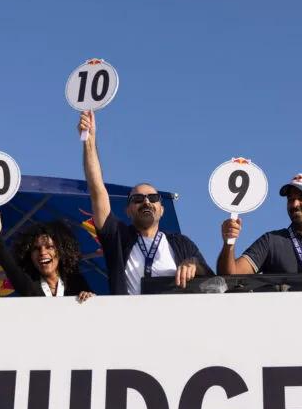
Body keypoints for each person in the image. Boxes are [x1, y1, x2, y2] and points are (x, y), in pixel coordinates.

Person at [78, 111, 213, 295]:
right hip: (129, 321)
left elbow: (212, 282)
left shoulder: (182, 243)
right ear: (128, 211)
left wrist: (194, 265)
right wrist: (90, 141)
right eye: (138, 199)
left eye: (153, 198)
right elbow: (97, 190)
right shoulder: (118, 237)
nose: (146, 202)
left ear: (162, 210)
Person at [0, 209, 96, 302]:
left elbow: (94, 309)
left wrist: (91, 299)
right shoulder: (30, 284)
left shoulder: (76, 282)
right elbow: (10, 267)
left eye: (49, 247)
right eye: (36, 249)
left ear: (62, 251)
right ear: (29, 255)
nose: (42, 253)